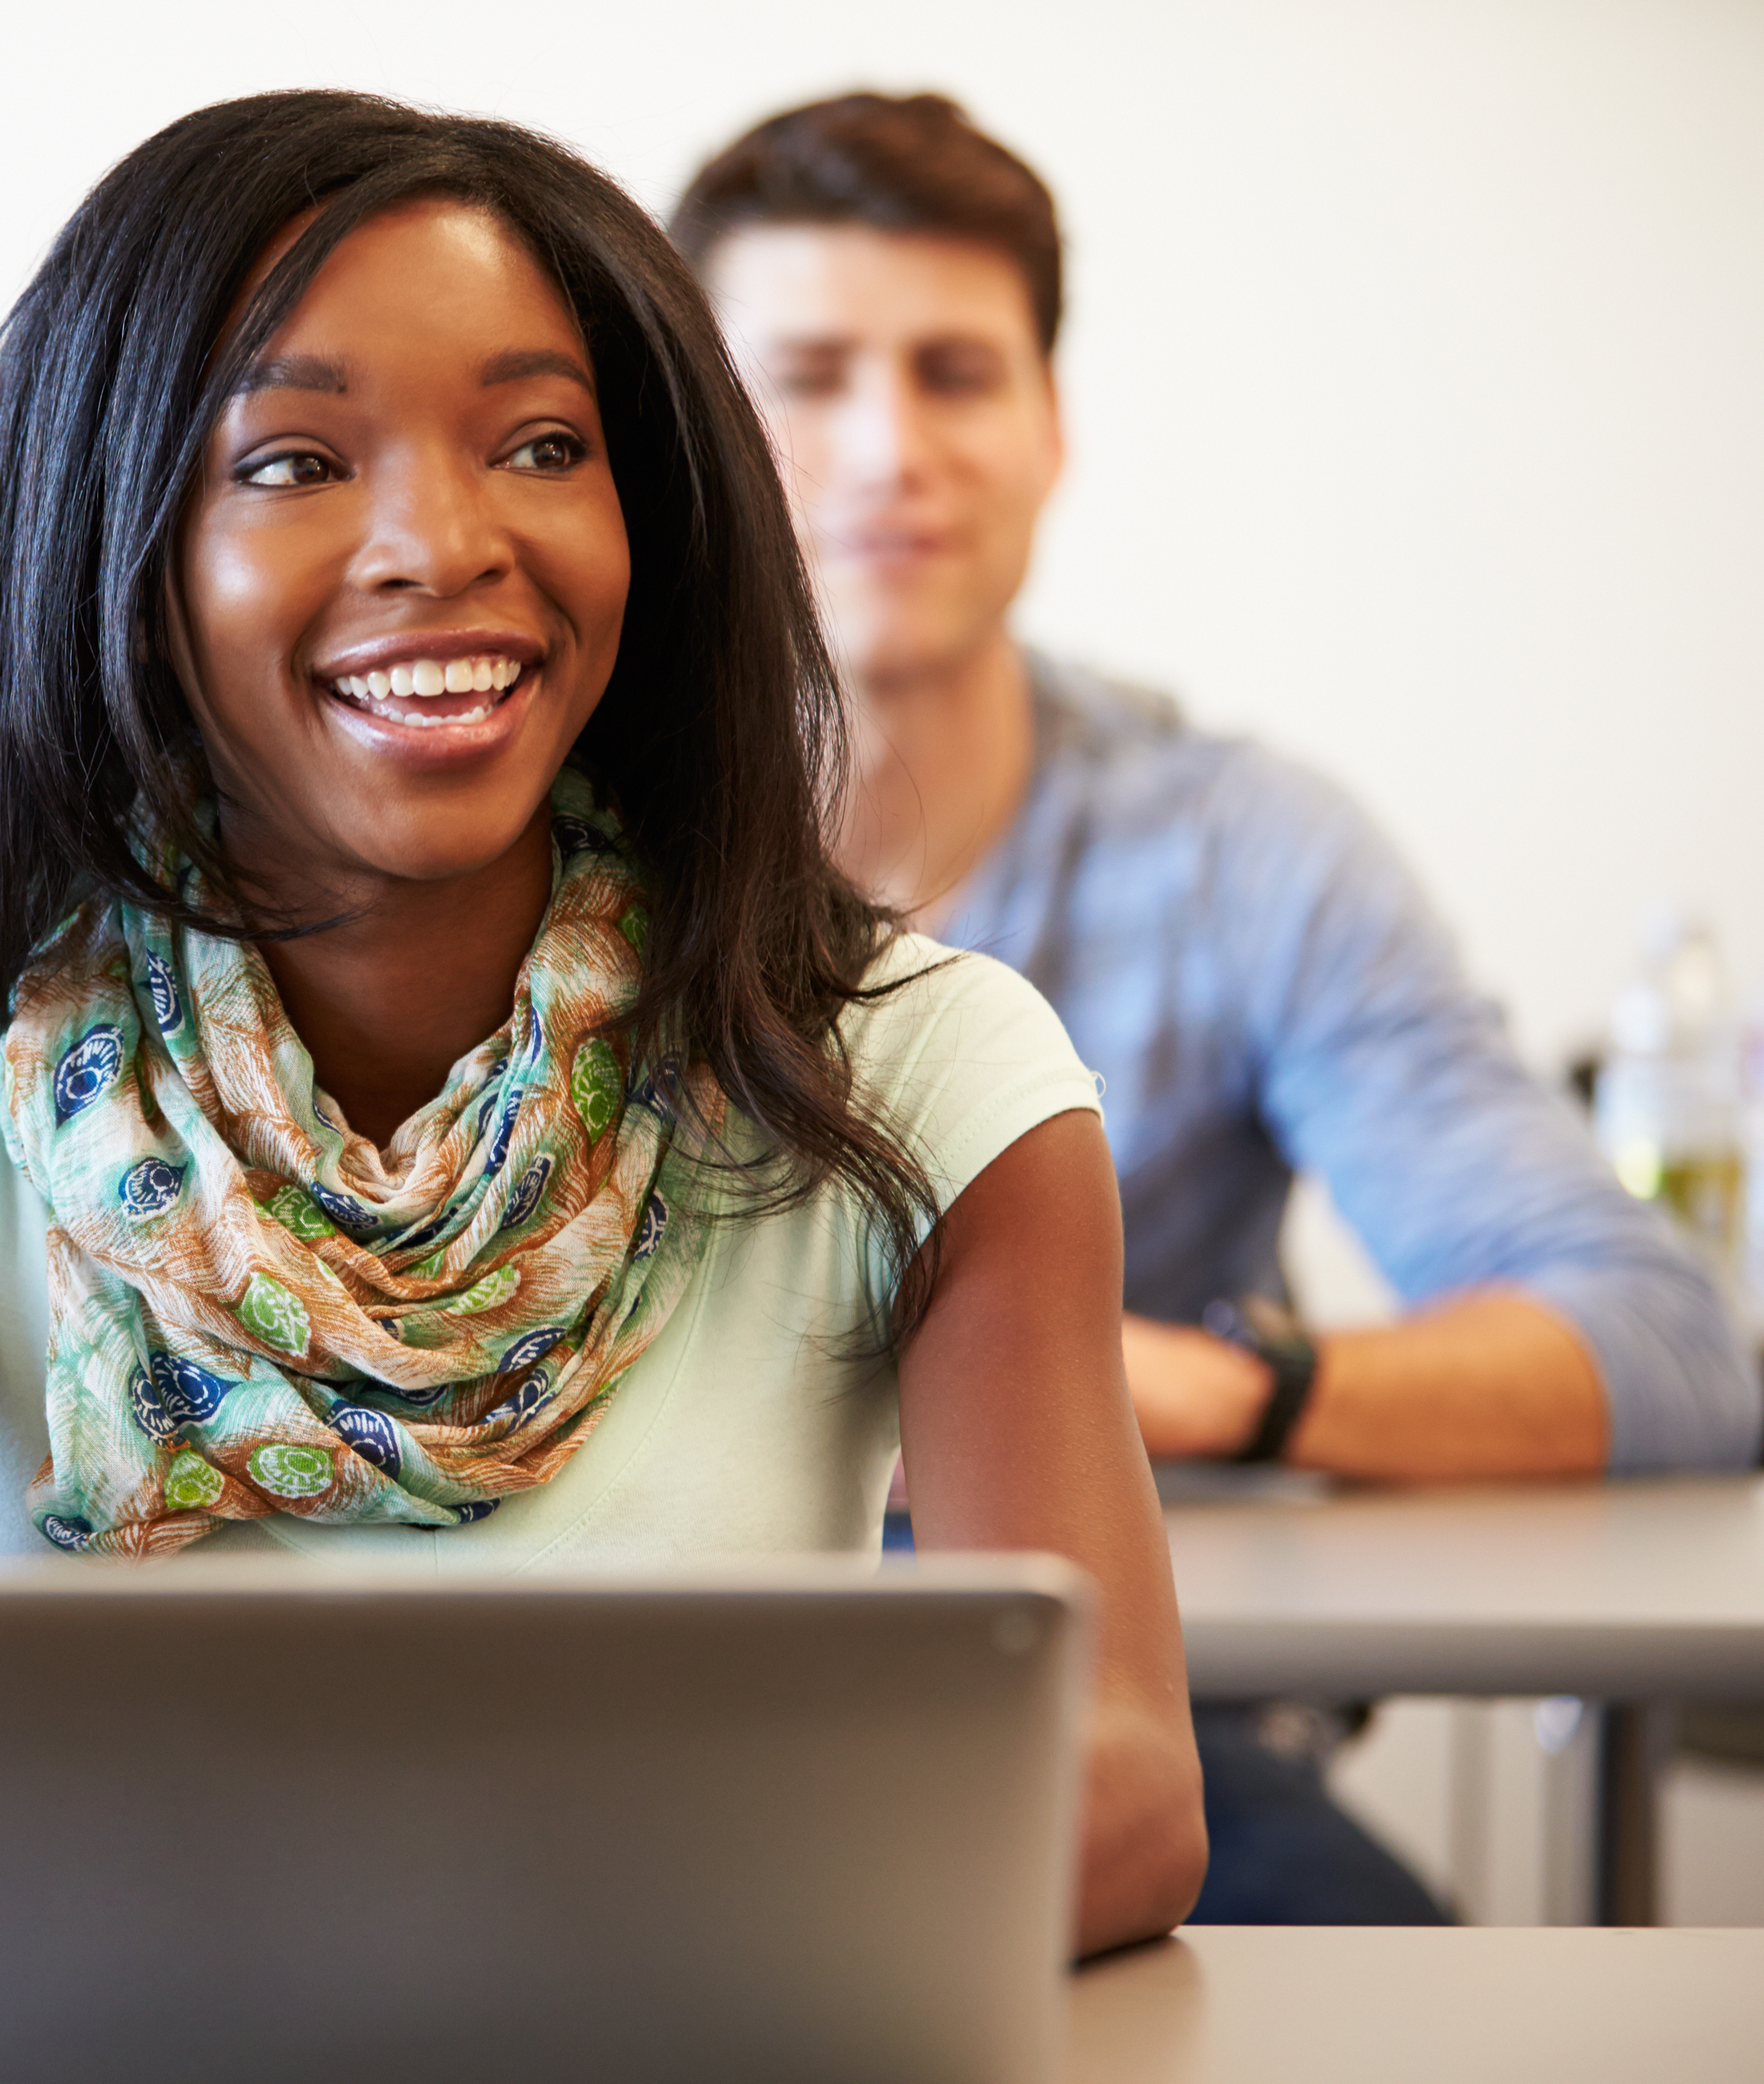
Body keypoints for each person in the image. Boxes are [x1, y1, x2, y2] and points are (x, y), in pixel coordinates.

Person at [0, 89, 1206, 1957]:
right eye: (297, 463)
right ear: (119, 551)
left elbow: (1122, 1787)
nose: (442, 544)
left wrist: (422, 1910)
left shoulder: (927, 1071)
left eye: (543, 444)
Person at [669, 91, 1760, 1919]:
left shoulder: (1255, 851)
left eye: (955, 373)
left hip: (1148, 1749)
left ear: (1050, 429)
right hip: (654, 1731)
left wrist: (1199, 1383)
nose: (888, 451)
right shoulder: (538, 843)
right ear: (691, 439)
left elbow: (1659, 1348)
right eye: (807, 375)